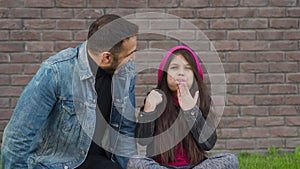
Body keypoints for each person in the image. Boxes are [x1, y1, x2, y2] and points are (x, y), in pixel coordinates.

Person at [1, 14, 138, 169]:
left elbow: (125, 130)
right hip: (54, 164)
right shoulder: (55, 72)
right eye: (129, 54)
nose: (133, 58)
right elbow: (17, 137)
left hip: (100, 162)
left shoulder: (125, 71)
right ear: (106, 57)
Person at [127, 46, 239, 169]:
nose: (181, 72)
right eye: (174, 68)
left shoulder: (201, 100)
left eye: (187, 68)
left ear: (194, 75)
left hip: (195, 166)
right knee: (136, 161)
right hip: (162, 166)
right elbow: (143, 140)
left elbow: (208, 144)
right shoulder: (155, 98)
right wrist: (149, 110)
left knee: (230, 160)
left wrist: (191, 111)